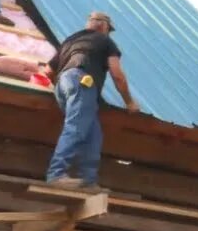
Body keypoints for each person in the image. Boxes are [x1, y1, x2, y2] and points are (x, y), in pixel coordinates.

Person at [44, 11, 140, 189]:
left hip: (62, 85)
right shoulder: (105, 41)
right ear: (104, 26)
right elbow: (117, 75)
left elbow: (48, 71)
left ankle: (87, 180)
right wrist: (129, 102)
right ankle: (56, 174)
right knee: (75, 128)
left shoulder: (70, 41)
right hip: (82, 82)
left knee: (93, 134)